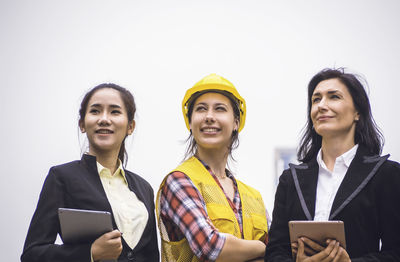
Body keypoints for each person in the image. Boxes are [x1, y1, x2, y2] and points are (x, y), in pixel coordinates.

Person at [264, 68, 400, 262]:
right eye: (316, 99)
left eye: (334, 97)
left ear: (358, 112)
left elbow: (396, 252)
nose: (321, 105)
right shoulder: (290, 179)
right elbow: (275, 251)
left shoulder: (386, 174)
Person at [21, 83, 159, 262]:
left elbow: (151, 255)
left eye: (115, 112)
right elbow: (32, 254)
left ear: (130, 126)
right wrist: (90, 252)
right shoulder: (62, 177)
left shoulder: (143, 188)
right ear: (82, 124)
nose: (104, 119)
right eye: (95, 111)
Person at [156, 74, 269, 262]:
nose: (209, 117)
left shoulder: (254, 196)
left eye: (220, 109)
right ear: (190, 123)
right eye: (201, 109)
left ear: (236, 123)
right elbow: (211, 247)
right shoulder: (179, 181)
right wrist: (263, 247)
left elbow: (282, 249)